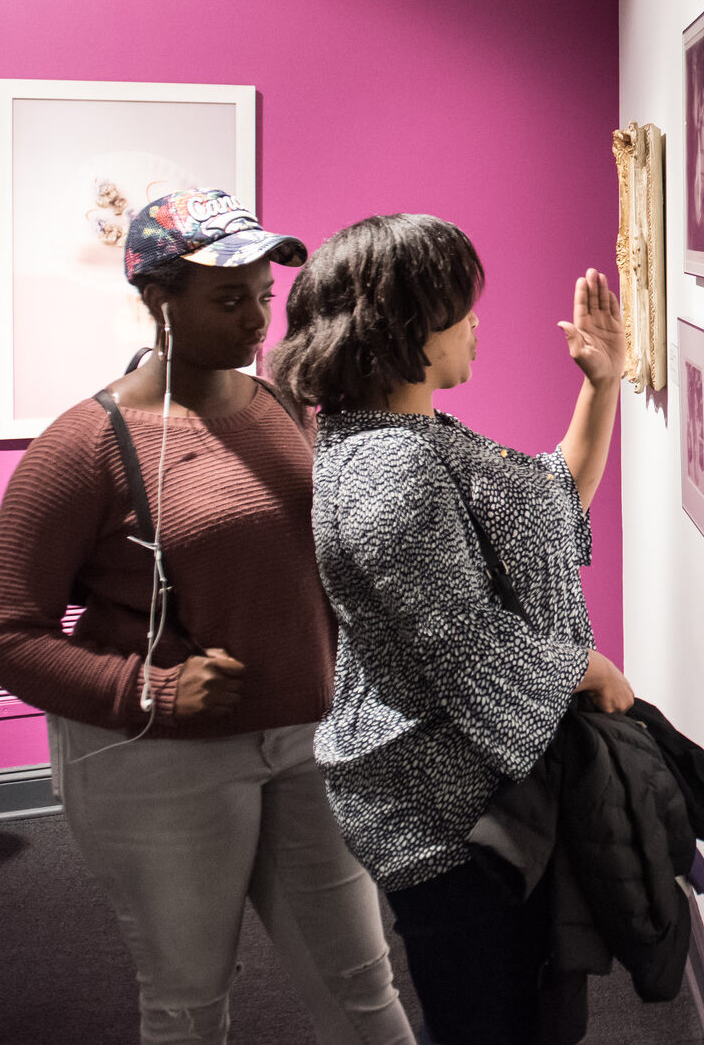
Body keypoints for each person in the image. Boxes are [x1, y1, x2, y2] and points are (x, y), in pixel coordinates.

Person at [0, 190, 414, 1045]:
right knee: (187, 998)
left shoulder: (285, 407)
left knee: (363, 983)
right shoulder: (87, 443)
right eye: (227, 298)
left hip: (308, 741)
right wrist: (156, 692)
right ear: (156, 296)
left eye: (261, 293)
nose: (256, 319)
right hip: (158, 758)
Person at [267, 214, 631, 1043]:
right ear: (406, 327)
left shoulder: (404, 436)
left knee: (525, 1010)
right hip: (443, 813)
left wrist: (601, 383)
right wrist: (588, 667)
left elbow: (547, 499)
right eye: (460, 307)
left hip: (474, 798)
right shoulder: (391, 467)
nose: (476, 324)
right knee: (488, 1020)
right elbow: (460, 639)